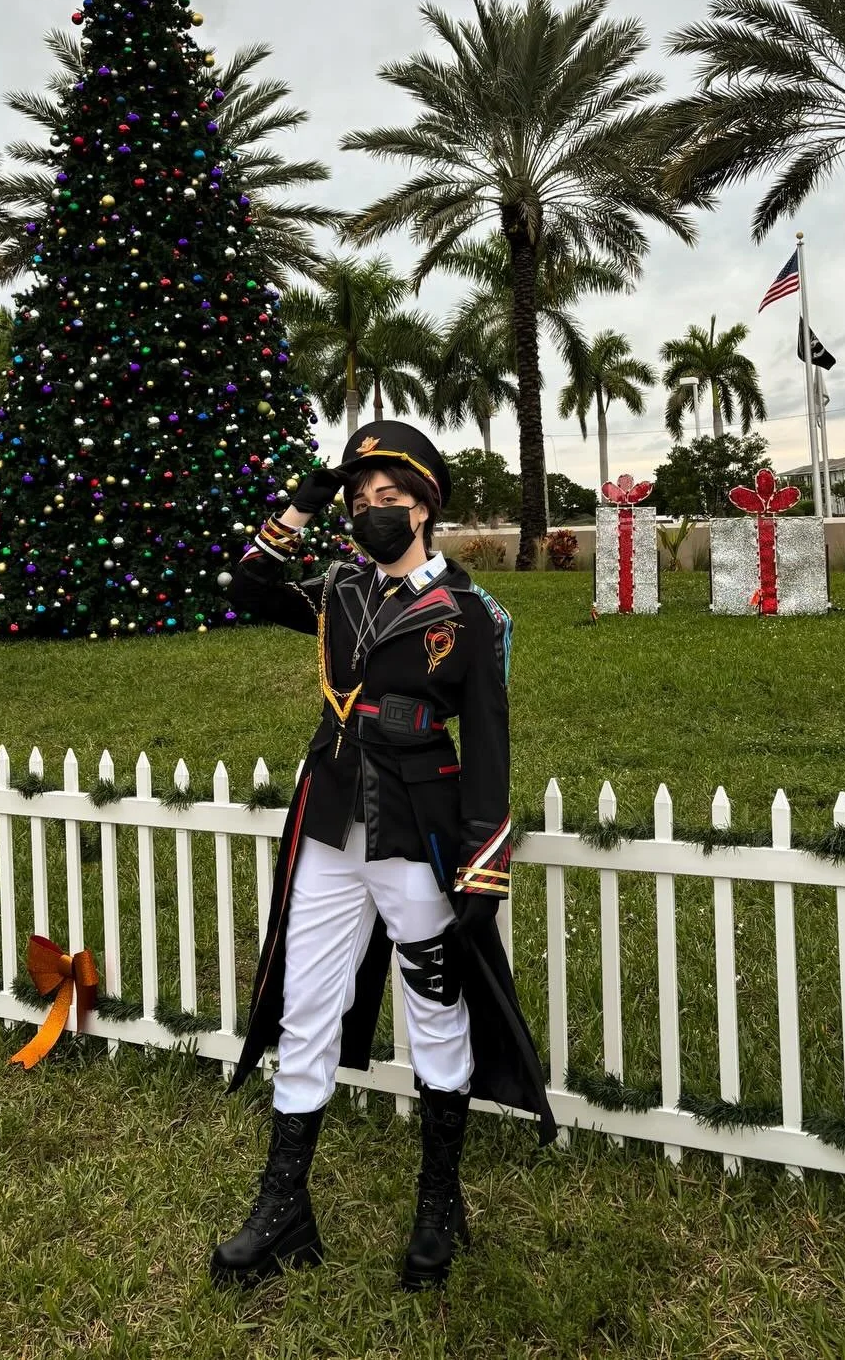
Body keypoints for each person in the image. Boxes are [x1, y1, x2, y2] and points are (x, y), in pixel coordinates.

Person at [212, 419, 555, 1292]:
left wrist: (485, 863)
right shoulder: (338, 588)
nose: (371, 512)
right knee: (306, 1005)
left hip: (418, 828)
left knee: (435, 1008)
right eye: (360, 500)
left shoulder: (472, 615)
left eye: (388, 500)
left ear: (426, 507)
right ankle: (284, 1208)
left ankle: (438, 1205)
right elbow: (250, 584)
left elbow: (488, 740)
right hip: (331, 819)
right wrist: (296, 506)